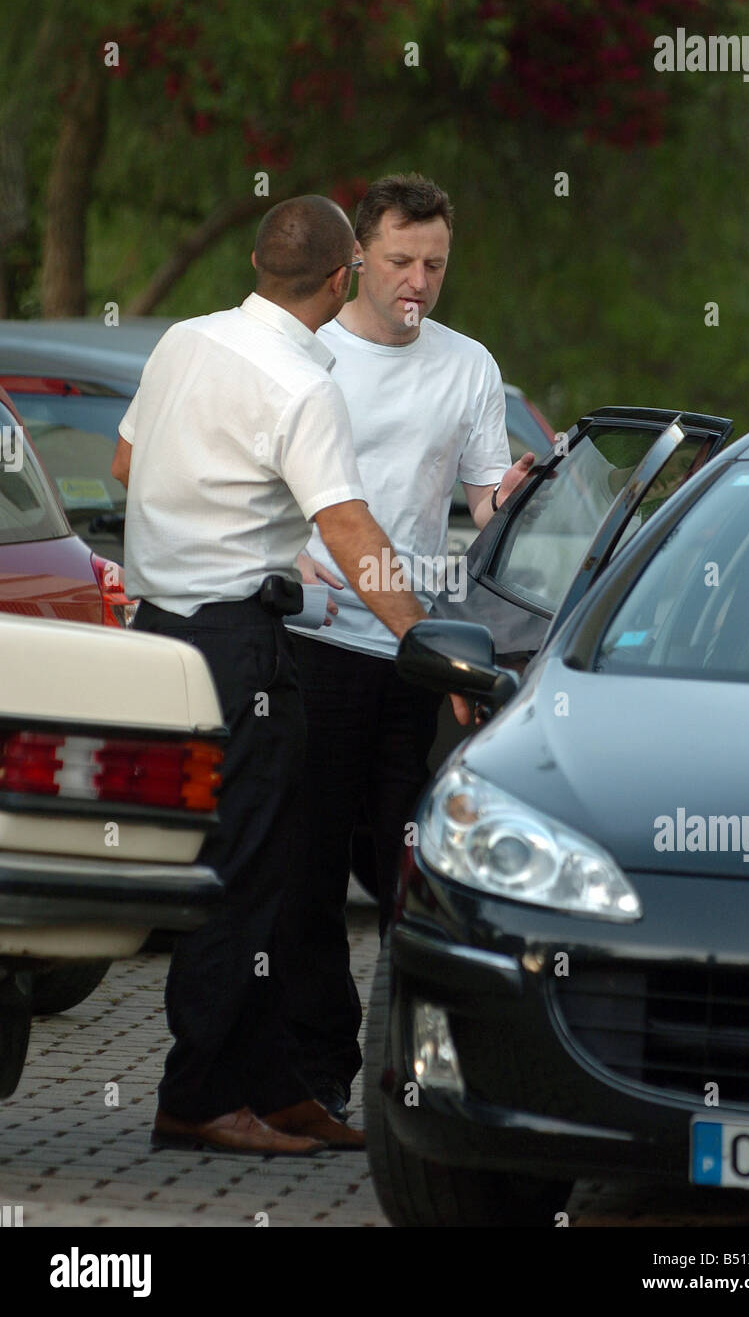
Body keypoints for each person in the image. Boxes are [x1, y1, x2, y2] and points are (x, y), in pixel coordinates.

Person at [111, 195, 429, 1156]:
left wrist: (226, 522)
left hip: (161, 634)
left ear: (255, 259)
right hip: (238, 649)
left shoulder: (184, 341)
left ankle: (273, 1085)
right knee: (249, 875)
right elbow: (347, 527)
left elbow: (128, 462)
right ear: (342, 281)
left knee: (261, 866)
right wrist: (423, 638)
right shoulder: (303, 386)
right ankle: (200, 1098)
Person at [279, 173, 535, 1119]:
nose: (416, 280)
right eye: (397, 261)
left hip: (417, 651)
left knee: (412, 875)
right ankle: (313, 1081)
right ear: (356, 259)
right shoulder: (308, 355)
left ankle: (423, 1079)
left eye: (433, 263)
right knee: (305, 877)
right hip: (316, 644)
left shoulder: (467, 363)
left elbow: (480, 497)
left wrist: (511, 496)